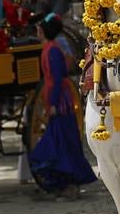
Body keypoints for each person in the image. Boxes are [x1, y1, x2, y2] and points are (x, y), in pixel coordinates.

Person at [29, 13, 97, 198]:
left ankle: (69, 186)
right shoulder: (51, 48)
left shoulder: (52, 50)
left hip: (60, 102)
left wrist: (52, 103)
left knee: (61, 142)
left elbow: (56, 79)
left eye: (38, 28)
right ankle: (64, 185)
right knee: (62, 142)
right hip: (58, 98)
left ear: (43, 31)